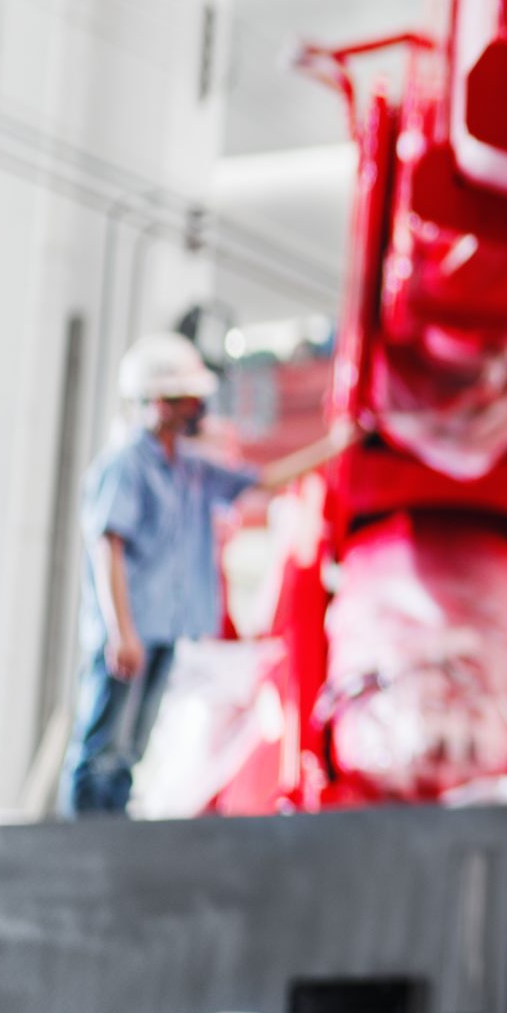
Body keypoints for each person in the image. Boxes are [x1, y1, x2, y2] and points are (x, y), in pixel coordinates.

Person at [61, 331, 354, 817]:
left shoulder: (189, 468)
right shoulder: (125, 467)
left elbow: (263, 480)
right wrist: (121, 631)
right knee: (102, 746)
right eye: (185, 398)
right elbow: (106, 548)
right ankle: (80, 836)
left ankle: (108, 833)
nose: (196, 406)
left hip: (164, 628)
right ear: (157, 402)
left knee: (131, 748)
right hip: (130, 632)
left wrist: (336, 445)